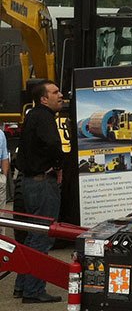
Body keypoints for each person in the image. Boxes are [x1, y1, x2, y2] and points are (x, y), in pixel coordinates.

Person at [14, 80, 65, 303]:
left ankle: (22, 286)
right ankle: (33, 291)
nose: (61, 95)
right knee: (42, 237)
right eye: (55, 92)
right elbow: (54, 143)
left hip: (28, 182)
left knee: (31, 236)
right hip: (42, 183)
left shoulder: (32, 116)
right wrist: (59, 164)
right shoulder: (44, 117)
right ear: (44, 99)